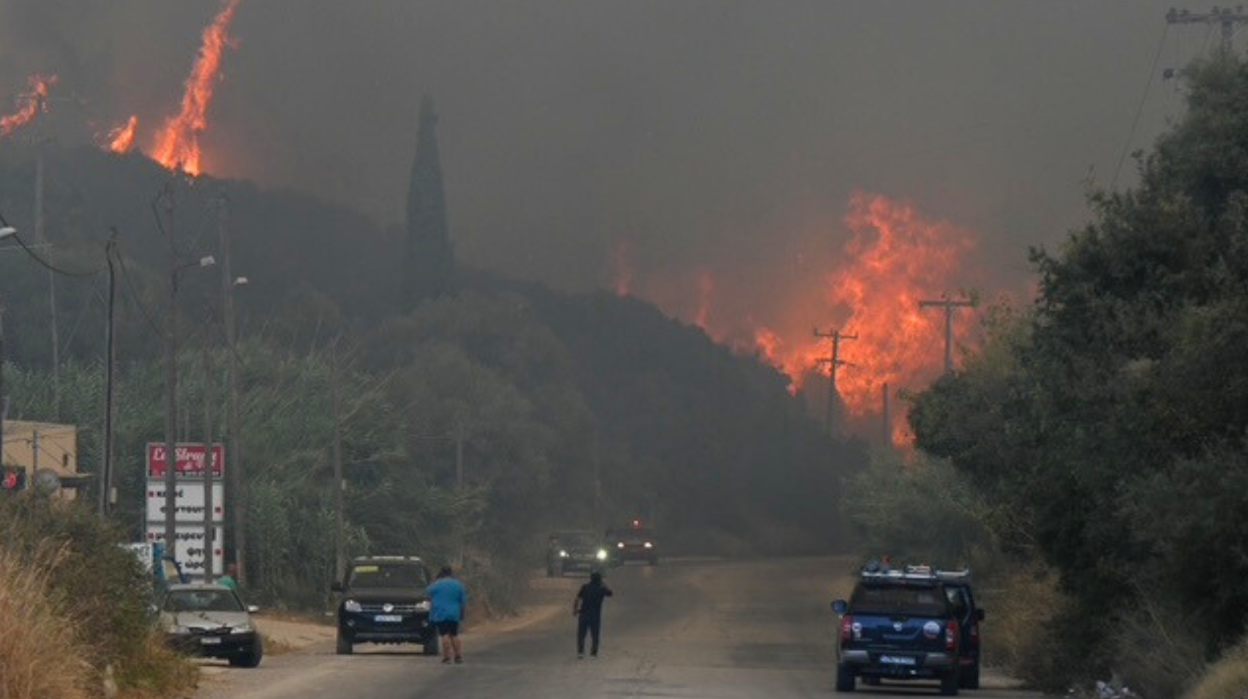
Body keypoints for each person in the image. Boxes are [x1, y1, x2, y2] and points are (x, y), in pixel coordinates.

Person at [427, 566, 467, 664]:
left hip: (441, 613)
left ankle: (447, 657)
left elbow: (428, 595)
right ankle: (458, 656)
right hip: (454, 613)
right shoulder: (458, 585)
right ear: (451, 573)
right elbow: (462, 602)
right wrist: (462, 614)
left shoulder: (435, 585)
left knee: (444, 634)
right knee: (454, 634)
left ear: (441, 573)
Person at [573, 570, 613, 658]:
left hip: (583, 614)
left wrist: (575, 609)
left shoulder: (585, 587)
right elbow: (610, 593)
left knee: (581, 635)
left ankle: (580, 652)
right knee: (595, 635)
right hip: (595, 615)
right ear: (600, 580)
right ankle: (594, 652)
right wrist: (604, 584)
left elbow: (577, 599)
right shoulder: (601, 589)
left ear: (590, 579)